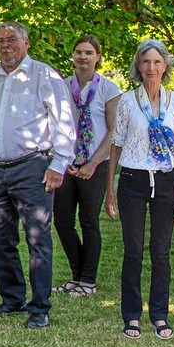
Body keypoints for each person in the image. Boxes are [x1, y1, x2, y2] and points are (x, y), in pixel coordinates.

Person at [0, 22, 75, 330]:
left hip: (33, 167)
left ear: (26, 43)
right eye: (0, 41)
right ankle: (11, 298)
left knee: (37, 239)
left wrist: (59, 164)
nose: (5, 45)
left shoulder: (43, 75)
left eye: (12, 39)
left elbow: (63, 118)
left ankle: (40, 307)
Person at [105, 39, 174, 340]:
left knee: (161, 252)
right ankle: (131, 315)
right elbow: (116, 145)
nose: (151, 68)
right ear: (138, 67)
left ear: (165, 65)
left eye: (156, 62)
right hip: (133, 181)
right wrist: (110, 189)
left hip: (165, 182)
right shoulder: (127, 101)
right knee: (133, 251)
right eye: (145, 62)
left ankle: (159, 314)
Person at [53, 36, 121, 298]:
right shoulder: (62, 87)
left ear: (98, 57)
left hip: (96, 163)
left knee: (89, 222)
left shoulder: (108, 89)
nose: (83, 57)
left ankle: (88, 281)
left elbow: (114, 132)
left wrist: (93, 163)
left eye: (89, 53)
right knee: (62, 222)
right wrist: (60, 159)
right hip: (66, 163)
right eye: (79, 52)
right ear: (73, 56)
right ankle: (77, 275)